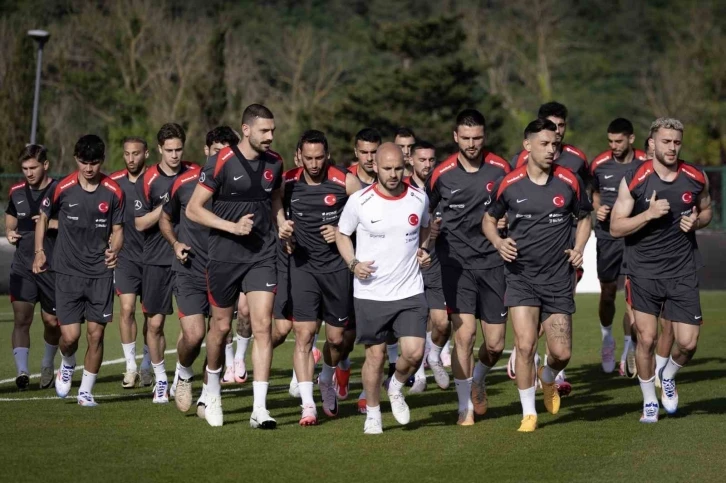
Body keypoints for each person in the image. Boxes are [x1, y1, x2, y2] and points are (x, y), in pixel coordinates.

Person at [483, 118, 592, 432]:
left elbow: (585, 217)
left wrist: (579, 247)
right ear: (527, 145)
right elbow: (488, 220)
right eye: (544, 144)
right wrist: (499, 242)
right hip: (521, 277)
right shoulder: (509, 183)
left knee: (561, 353)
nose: (551, 150)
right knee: (525, 345)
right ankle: (529, 413)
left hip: (558, 277)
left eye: (555, 144)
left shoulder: (569, 180)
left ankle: (548, 376)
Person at [186, 104, 284, 428]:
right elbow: (193, 209)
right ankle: (212, 392)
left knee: (262, 325)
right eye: (264, 131)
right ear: (246, 129)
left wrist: (282, 222)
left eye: (272, 130)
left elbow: (275, 199)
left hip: (262, 254)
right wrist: (232, 227)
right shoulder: (221, 161)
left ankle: (259, 409)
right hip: (224, 257)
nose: (270, 136)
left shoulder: (275, 162)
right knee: (220, 329)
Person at [610, 118, 711, 423]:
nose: (672, 147)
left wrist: (697, 221)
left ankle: (667, 375)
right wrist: (648, 214)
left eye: (677, 142)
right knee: (646, 339)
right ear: (652, 143)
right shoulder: (635, 179)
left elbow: (706, 209)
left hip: (682, 270)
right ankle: (649, 401)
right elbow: (616, 227)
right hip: (643, 272)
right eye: (666, 141)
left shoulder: (695, 176)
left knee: (688, 343)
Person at [336, 142, 431, 434]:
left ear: (405, 166)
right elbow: (342, 234)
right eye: (387, 168)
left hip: (409, 289)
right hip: (371, 292)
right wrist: (353, 263)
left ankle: (396, 387)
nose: (393, 174)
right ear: (375, 166)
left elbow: (426, 227)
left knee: (414, 353)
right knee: (375, 357)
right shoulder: (359, 201)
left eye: (398, 168)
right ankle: (374, 414)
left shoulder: (419, 198)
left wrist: (424, 249)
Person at [427, 110, 511, 426]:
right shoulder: (441, 174)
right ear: (455, 137)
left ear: (484, 137)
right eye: (466, 138)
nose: (472, 144)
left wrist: (506, 222)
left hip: (493, 264)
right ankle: (464, 407)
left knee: (495, 344)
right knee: (464, 336)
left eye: (477, 138)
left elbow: (516, 204)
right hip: (456, 266)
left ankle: (478, 378)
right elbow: (423, 213)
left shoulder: (501, 168)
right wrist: (428, 239)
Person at [33, 134, 125, 407]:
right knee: (70, 337)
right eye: (84, 162)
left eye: (94, 162)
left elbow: (119, 230)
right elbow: (43, 218)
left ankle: (86, 391)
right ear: (76, 160)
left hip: (100, 273)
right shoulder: (62, 187)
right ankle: (67, 361)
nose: (88, 168)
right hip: (68, 272)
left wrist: (114, 250)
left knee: (96, 334)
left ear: (102, 161)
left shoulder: (113, 191)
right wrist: (39, 251)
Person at [278, 130, 361, 425]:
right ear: (299, 156)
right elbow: (273, 206)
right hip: (303, 268)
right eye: (308, 158)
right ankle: (308, 405)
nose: (314, 164)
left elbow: (369, 215)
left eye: (319, 158)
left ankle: (326, 377)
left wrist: (341, 230)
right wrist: (282, 229)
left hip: (337, 269)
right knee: (303, 333)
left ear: (328, 155)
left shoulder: (345, 181)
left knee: (336, 340)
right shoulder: (287, 181)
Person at [134, 123, 192, 404]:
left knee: (190, 326)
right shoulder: (148, 179)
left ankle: (181, 376)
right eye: (169, 150)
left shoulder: (194, 174)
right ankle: (160, 380)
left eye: (178, 149)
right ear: (159, 149)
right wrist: (167, 205)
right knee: (155, 324)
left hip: (188, 258)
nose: (174, 155)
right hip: (156, 260)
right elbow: (140, 223)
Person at [589, 118, 647, 374]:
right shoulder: (599, 164)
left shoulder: (645, 162)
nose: (614, 146)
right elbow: (594, 193)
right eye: (610, 141)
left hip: (635, 235)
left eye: (619, 141)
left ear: (631, 139)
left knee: (633, 294)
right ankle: (607, 338)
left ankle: (628, 348)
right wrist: (598, 208)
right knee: (608, 293)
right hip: (607, 236)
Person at [6, 144, 60, 390]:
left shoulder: (60, 190)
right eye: (25, 168)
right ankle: (22, 372)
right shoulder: (16, 192)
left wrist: (51, 223)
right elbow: (10, 220)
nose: (28, 173)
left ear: (45, 165)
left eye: (33, 167)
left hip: (52, 267)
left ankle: (47, 364)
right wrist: (10, 232)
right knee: (21, 319)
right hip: (22, 267)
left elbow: (74, 222)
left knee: (52, 321)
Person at [158, 160, 207, 413]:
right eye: (216, 151)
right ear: (207, 151)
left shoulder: (237, 187)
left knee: (220, 334)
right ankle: (184, 371)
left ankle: (209, 396)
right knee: (194, 335)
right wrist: (175, 243)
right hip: (189, 269)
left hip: (225, 270)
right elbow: (165, 218)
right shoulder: (185, 182)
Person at [405, 141, 449, 394]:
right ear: (410, 160)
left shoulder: (443, 186)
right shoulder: (402, 189)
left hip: (437, 264)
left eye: (431, 160)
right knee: (416, 323)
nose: (427, 164)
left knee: (442, 323)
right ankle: (419, 375)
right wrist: (424, 234)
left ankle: (434, 356)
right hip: (409, 266)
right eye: (422, 160)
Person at [110, 137, 152, 388]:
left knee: (151, 316)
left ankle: (147, 364)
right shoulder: (113, 182)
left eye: (136, 153)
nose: (131, 159)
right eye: (127, 154)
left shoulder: (156, 180)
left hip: (153, 258)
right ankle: (130, 367)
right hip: (126, 258)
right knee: (126, 309)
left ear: (146, 154)